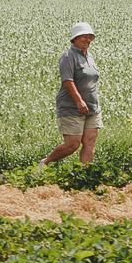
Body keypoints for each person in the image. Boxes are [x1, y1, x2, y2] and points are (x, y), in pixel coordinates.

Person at [46, 21, 100, 164]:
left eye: (90, 37)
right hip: (72, 107)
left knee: (90, 142)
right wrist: (79, 101)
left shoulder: (89, 56)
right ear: (75, 38)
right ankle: (45, 163)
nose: (88, 40)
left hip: (92, 107)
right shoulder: (68, 56)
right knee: (72, 144)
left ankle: (83, 176)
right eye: (84, 37)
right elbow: (67, 81)